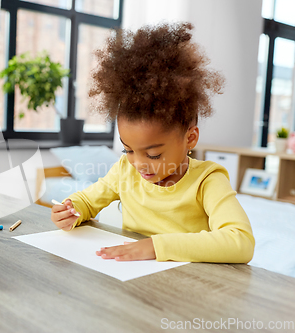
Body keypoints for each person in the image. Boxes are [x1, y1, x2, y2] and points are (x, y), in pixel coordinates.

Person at [50, 22, 255, 263]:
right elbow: (86, 201)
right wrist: (71, 211)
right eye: (128, 150)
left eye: (154, 154)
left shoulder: (207, 181)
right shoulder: (124, 170)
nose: (138, 164)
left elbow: (240, 241)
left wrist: (155, 247)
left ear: (190, 138)